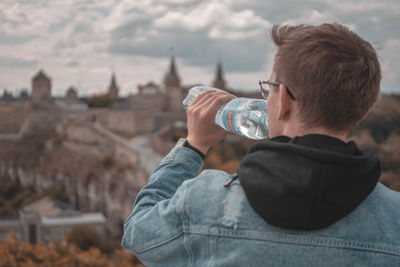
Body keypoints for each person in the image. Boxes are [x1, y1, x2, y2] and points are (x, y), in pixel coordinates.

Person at [121, 23, 400, 266]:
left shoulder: (205, 202)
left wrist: (193, 147)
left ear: (285, 102)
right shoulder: (394, 218)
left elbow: (138, 233)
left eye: (270, 89)